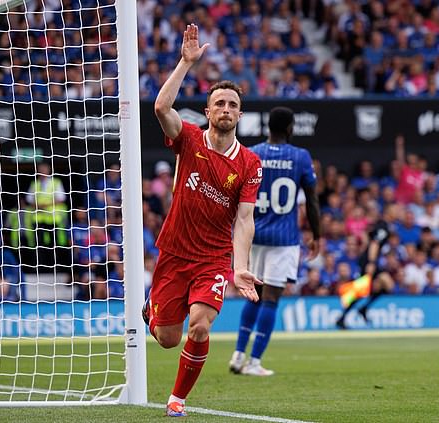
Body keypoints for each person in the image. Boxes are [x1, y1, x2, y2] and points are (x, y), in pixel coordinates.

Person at [142, 24, 263, 418]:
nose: (226, 110)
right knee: (166, 338)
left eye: (232, 104)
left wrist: (240, 267)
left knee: (200, 327)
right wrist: (185, 63)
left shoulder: (249, 163)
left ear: (239, 114)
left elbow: (245, 219)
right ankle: (152, 311)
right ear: (208, 111)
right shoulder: (190, 139)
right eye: (219, 104)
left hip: (213, 259)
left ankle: (176, 400)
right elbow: (161, 108)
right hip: (175, 252)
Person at [228, 106, 321, 377]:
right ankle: (254, 361)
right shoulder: (300, 157)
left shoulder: (253, 153)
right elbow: (312, 200)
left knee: (253, 296)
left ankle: (237, 353)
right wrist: (317, 234)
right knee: (270, 300)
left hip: (253, 234)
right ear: (290, 128)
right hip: (284, 238)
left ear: (268, 127)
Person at [335, 206, 396, 329]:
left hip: (368, 260)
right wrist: (371, 263)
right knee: (364, 290)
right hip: (369, 261)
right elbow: (374, 243)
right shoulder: (383, 227)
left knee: (375, 288)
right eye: (397, 211)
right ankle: (351, 313)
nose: (399, 213)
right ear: (390, 213)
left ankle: (356, 311)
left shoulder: (380, 226)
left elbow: (367, 240)